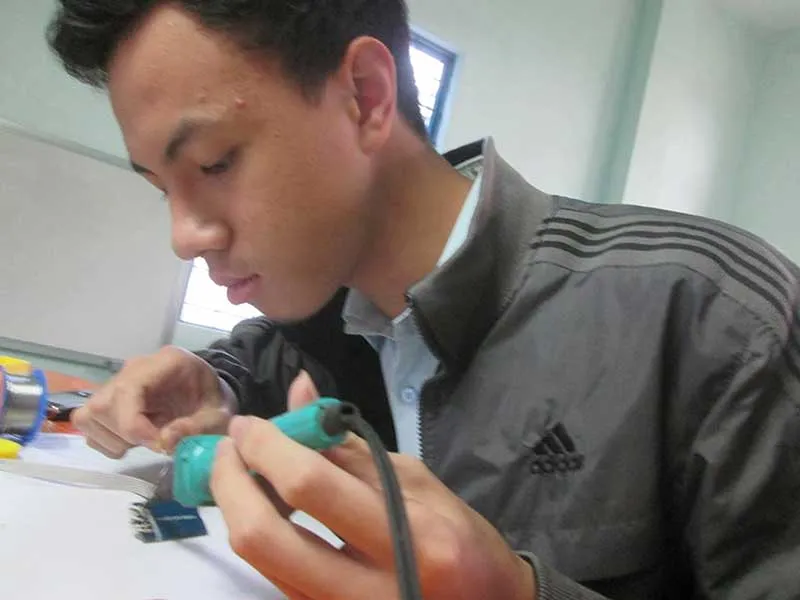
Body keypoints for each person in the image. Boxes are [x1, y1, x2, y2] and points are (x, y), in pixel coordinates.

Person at [46, 1, 800, 598]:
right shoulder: (319, 316)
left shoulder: (716, 318)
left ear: (365, 97)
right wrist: (214, 383)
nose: (184, 236)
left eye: (214, 163)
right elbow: (253, 360)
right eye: (162, 188)